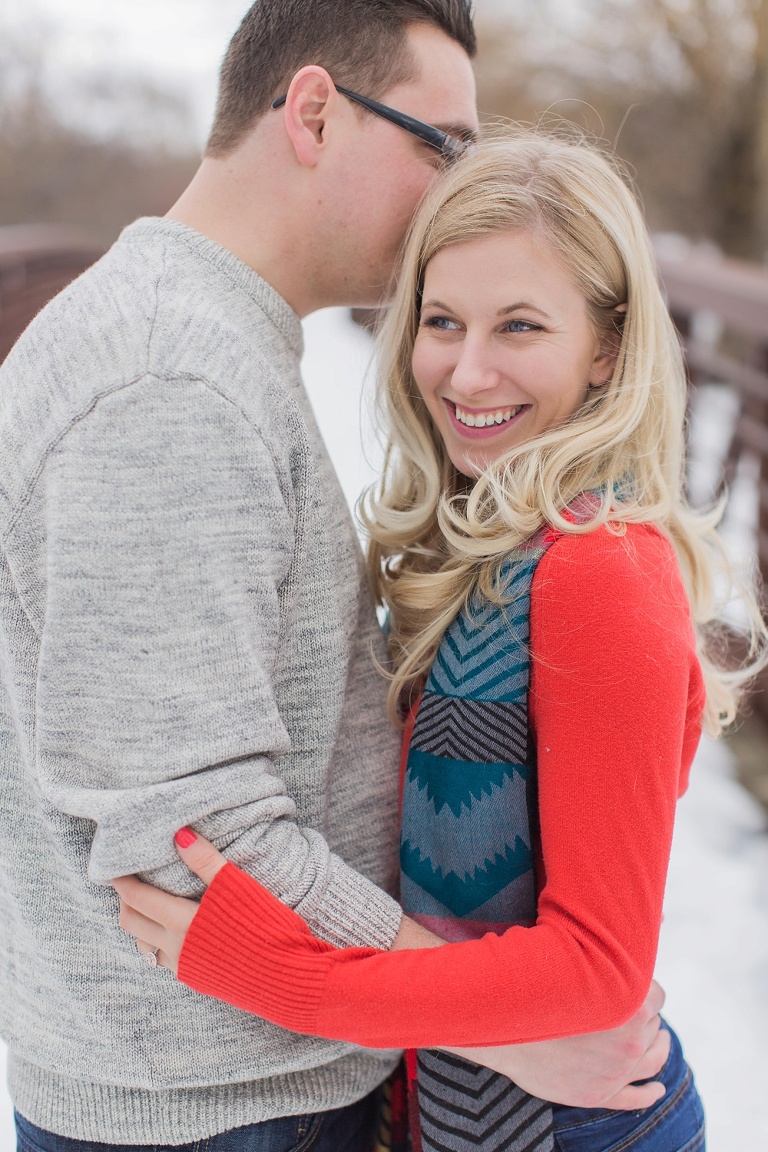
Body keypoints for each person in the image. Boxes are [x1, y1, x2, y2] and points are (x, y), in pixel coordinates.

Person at [0, 4, 671, 1152]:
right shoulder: (173, 381)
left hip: (241, 1079)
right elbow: (192, 835)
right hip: (217, 1103)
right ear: (315, 111)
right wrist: (509, 1033)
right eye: (440, 143)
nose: (457, 187)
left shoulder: (210, 343)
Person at [115, 127, 768, 1152]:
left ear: (606, 345)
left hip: (577, 1125)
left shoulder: (599, 569)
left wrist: (274, 973)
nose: (466, 373)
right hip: (460, 1104)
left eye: (518, 326)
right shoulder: (484, 544)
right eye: (440, 321)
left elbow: (597, 967)